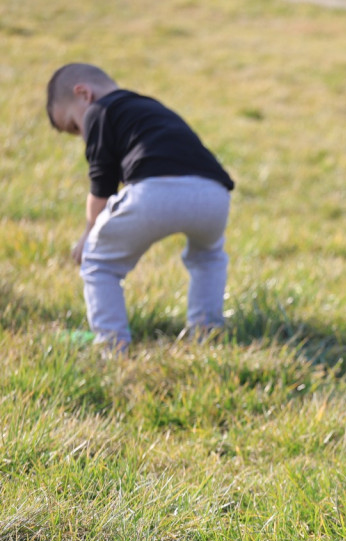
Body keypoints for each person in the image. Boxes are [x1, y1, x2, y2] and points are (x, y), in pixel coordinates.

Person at [46, 63, 235, 350]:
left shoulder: (99, 111)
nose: (81, 134)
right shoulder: (148, 106)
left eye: (74, 125)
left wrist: (88, 233)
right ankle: (206, 333)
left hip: (155, 190)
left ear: (84, 94)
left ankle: (112, 345)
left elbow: (102, 184)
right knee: (208, 257)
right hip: (214, 193)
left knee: (99, 263)